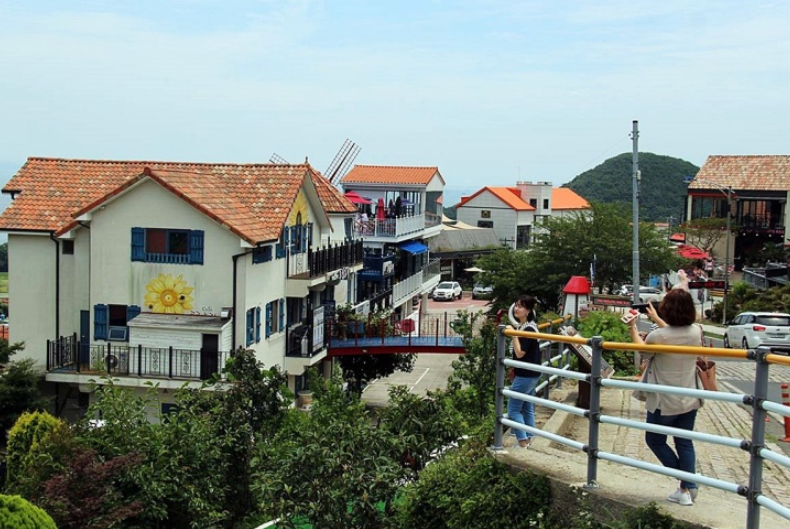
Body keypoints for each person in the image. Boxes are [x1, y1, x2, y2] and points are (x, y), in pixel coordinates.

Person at [627, 289, 703, 506]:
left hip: (664, 399)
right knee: (684, 441)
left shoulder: (658, 336)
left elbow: (643, 351)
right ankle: (687, 488)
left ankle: (688, 483)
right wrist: (657, 320)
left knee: (654, 440)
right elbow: (673, 335)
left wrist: (632, 327)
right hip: (689, 396)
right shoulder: (696, 331)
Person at [506, 295, 542, 449]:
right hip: (531, 373)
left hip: (525, 375)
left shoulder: (528, 329)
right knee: (527, 407)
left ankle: (522, 442)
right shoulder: (527, 326)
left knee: (513, 410)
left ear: (527, 311)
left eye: (520, 306)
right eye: (516, 305)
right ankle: (530, 439)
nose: (516, 308)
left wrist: (513, 334)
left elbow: (520, 353)